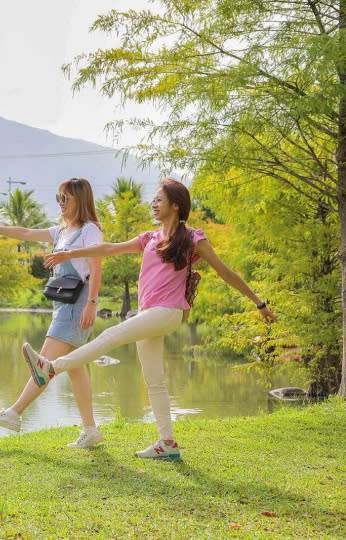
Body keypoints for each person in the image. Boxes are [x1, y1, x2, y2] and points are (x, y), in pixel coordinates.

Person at [21, 178, 277, 460]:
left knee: (110, 336)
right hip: (149, 314)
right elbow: (109, 248)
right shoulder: (150, 238)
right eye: (153, 200)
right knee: (153, 379)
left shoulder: (194, 238)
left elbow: (226, 273)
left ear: (176, 205)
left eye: (159, 200)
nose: (153, 204)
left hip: (167, 312)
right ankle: (167, 443)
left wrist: (259, 303)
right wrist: (70, 253)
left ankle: (51, 368)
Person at [0, 178, 105, 449]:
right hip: (62, 304)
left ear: (80, 200)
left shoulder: (89, 231)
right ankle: (90, 430)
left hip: (78, 305)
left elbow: (97, 267)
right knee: (75, 368)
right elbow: (26, 233)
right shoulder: (62, 231)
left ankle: (14, 413)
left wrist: (93, 303)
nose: (61, 204)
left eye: (65, 198)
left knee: (43, 364)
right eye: (58, 198)